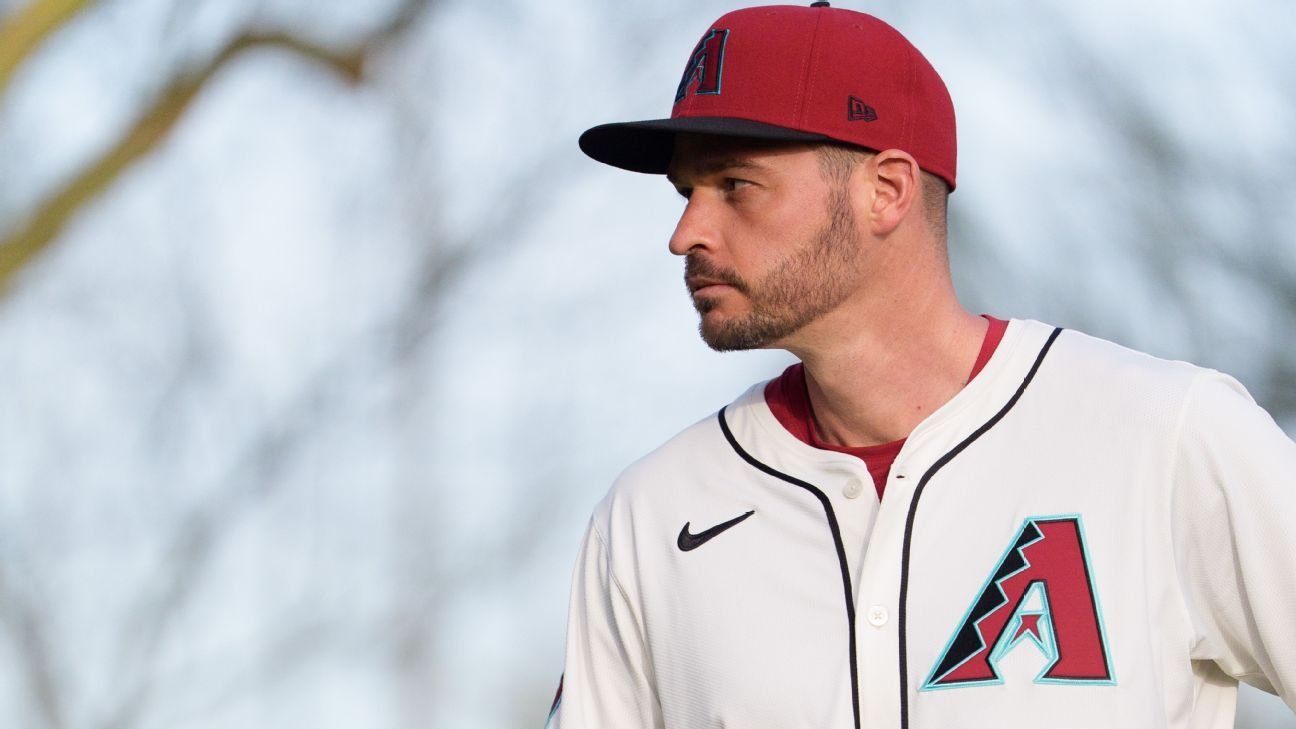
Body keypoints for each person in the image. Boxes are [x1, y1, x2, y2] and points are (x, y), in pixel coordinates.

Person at [548, 4, 1296, 728]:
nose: (685, 233)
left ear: (886, 191)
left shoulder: (1166, 437)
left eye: (734, 184)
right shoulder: (651, 513)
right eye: (687, 192)